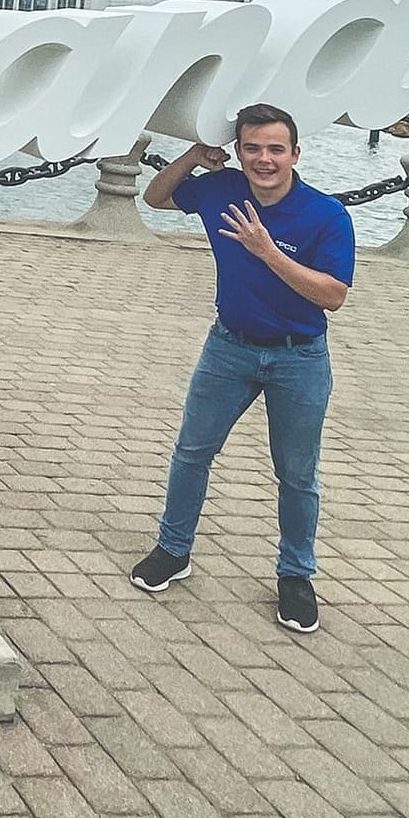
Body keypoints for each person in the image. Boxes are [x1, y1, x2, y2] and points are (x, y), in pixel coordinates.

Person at [130, 103, 355, 634]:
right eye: (252, 147)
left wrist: (267, 251)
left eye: (276, 149)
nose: (264, 159)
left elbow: (335, 295)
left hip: (298, 356)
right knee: (192, 451)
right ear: (237, 151)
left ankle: (296, 575)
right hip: (228, 347)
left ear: (295, 154)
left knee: (297, 475)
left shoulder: (326, 215)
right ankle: (174, 550)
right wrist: (192, 155)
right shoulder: (221, 189)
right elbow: (156, 197)